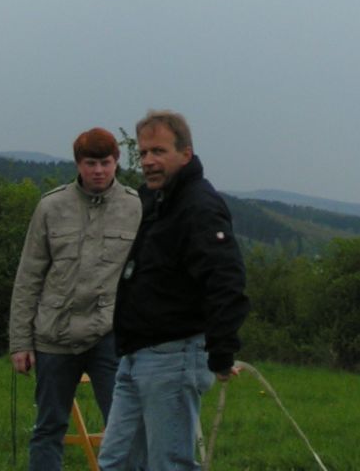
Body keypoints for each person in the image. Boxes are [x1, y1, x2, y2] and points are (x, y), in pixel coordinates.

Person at [96, 110, 250, 471]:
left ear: (185, 153)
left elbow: (225, 280)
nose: (148, 161)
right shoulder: (153, 200)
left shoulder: (200, 206)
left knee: (168, 465)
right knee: (115, 461)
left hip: (174, 356)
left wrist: (222, 351)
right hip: (134, 354)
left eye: (159, 151)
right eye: (143, 153)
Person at [9, 127, 141, 471]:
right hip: (54, 335)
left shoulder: (135, 207)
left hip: (109, 334)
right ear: (78, 164)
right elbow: (28, 277)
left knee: (124, 428)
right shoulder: (51, 207)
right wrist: (20, 342)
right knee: (48, 427)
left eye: (105, 163)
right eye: (90, 163)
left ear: (116, 163)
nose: (98, 170)